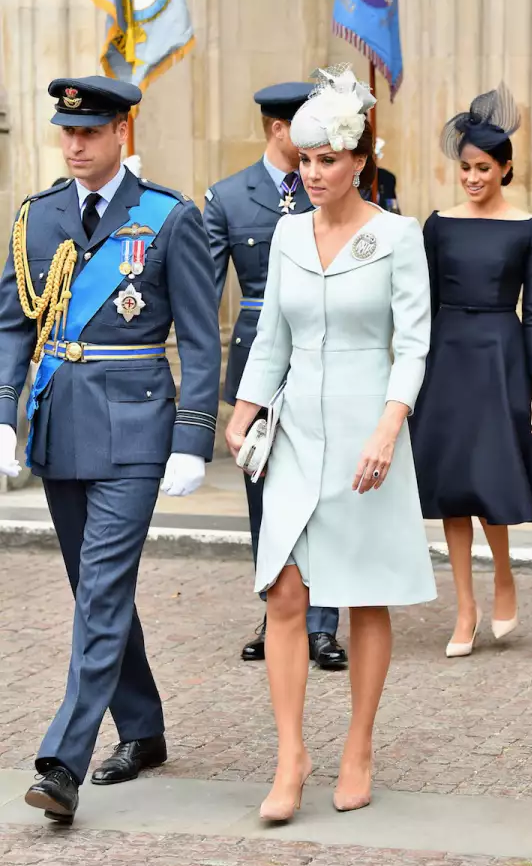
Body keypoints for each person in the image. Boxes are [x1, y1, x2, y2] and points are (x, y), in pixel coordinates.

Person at [0, 76, 221, 822]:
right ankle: (145, 728)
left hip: (135, 426)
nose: (75, 145)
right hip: (61, 421)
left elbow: (196, 335)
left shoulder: (166, 217)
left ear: (121, 130)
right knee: (95, 589)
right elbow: (11, 327)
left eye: (90, 132)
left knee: (100, 586)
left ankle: (64, 759)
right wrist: (3, 417)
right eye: (66, 132)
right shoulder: (38, 216)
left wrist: (193, 437)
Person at [226, 66, 436, 822]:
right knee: (284, 591)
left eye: (327, 160)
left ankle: (358, 745)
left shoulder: (395, 236)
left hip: (365, 430)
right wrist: (243, 410)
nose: (313, 173)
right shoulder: (286, 233)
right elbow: (270, 339)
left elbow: (413, 344)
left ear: (358, 161)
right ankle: (291, 756)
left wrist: (389, 424)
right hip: (295, 435)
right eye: (305, 160)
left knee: (362, 593)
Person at [409, 83, 532, 658]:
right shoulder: (437, 224)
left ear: (505, 168)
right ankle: (465, 607)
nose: (473, 177)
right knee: (453, 488)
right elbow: (421, 306)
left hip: (501, 356)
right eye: (465, 168)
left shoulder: (530, 227)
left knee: (487, 483)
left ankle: (502, 575)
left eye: (484, 168)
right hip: (446, 359)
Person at [204, 82, 347, 670]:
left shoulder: (339, 190)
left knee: (328, 491)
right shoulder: (228, 197)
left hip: (327, 353)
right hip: (258, 354)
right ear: (277, 129)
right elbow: (203, 294)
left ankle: (323, 622)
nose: (316, 147)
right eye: (304, 130)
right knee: (265, 493)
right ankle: (278, 610)